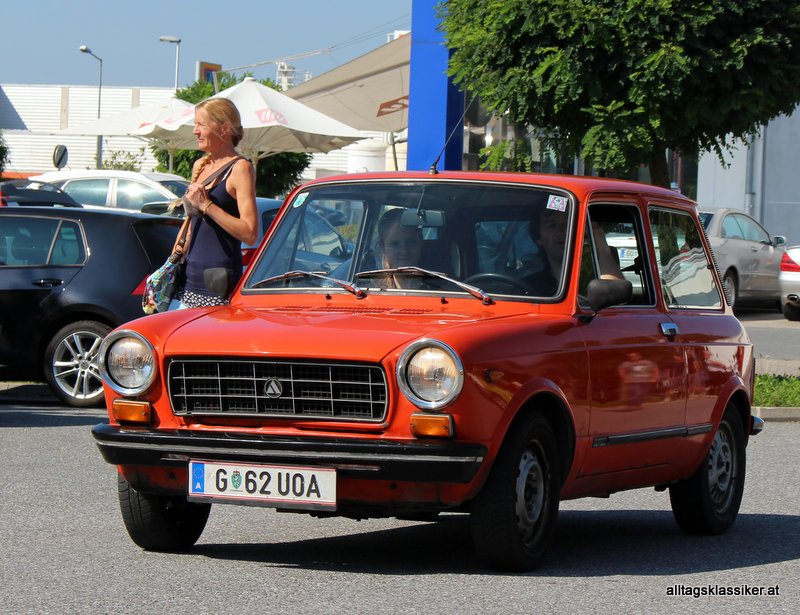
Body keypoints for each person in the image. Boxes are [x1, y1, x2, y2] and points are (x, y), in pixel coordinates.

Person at [167, 98, 258, 309]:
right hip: (187, 278)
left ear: (224, 129)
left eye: (201, 125)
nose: (195, 131)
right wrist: (171, 262)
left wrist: (207, 205)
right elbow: (190, 225)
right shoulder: (200, 165)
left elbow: (250, 233)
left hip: (218, 283)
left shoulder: (240, 168)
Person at [524, 205, 622, 295]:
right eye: (551, 225)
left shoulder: (595, 274)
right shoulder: (527, 286)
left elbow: (616, 295)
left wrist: (601, 244)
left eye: (567, 224)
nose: (561, 231)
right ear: (538, 237)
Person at [375, 208, 423, 288]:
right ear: (383, 247)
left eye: (410, 242)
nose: (404, 250)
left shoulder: (442, 288)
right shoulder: (369, 291)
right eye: (395, 244)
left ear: (420, 241)